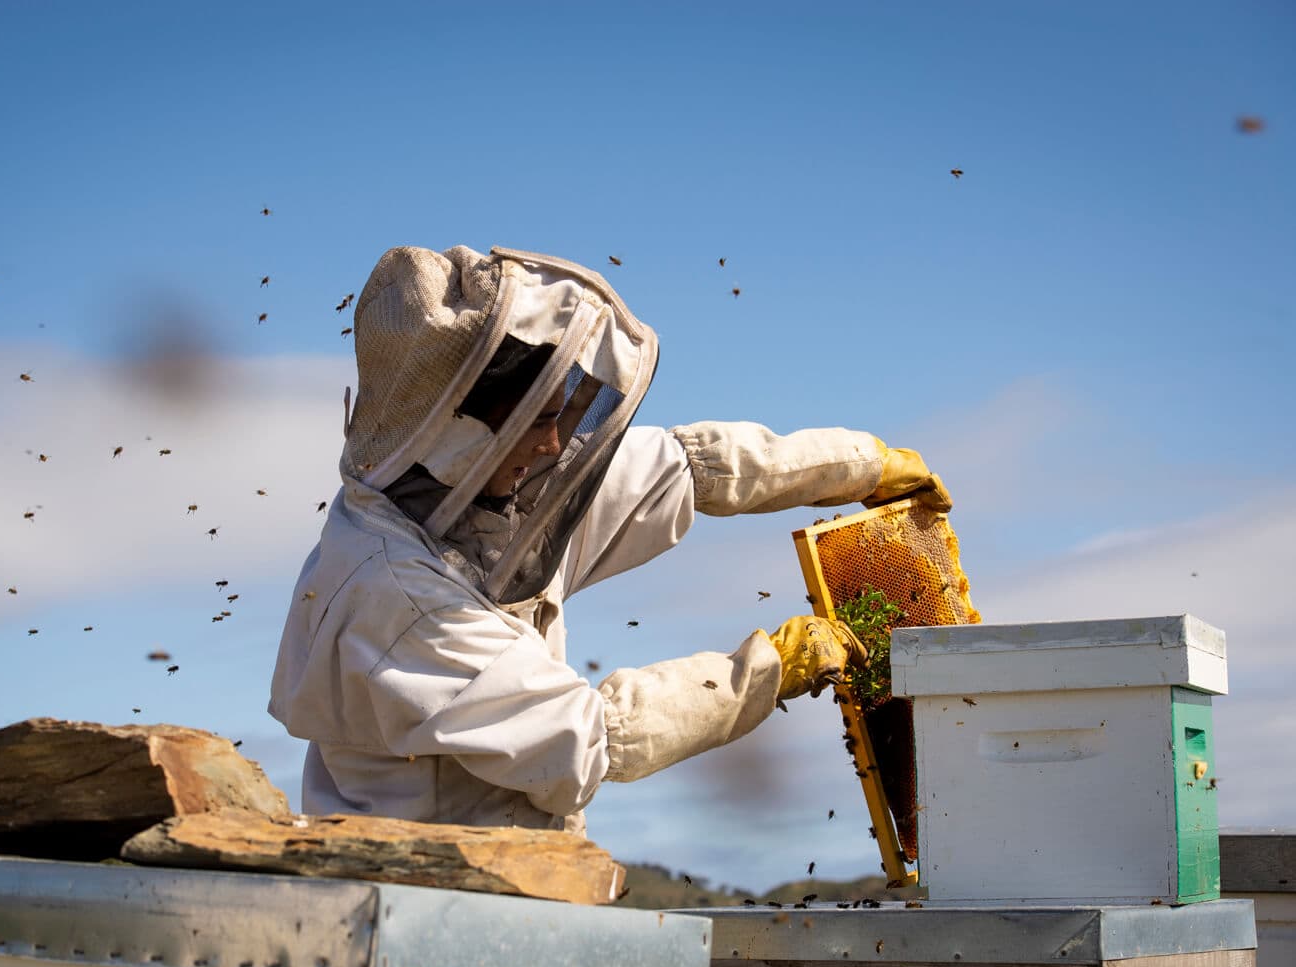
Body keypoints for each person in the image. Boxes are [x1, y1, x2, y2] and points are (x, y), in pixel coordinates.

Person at [269, 245, 950, 833]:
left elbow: (688, 468)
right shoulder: (395, 593)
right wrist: (769, 668)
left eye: (559, 412)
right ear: (457, 431)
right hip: (421, 914)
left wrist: (863, 463)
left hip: (510, 900)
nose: (555, 442)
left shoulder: (490, 504)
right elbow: (585, 737)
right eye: (534, 420)